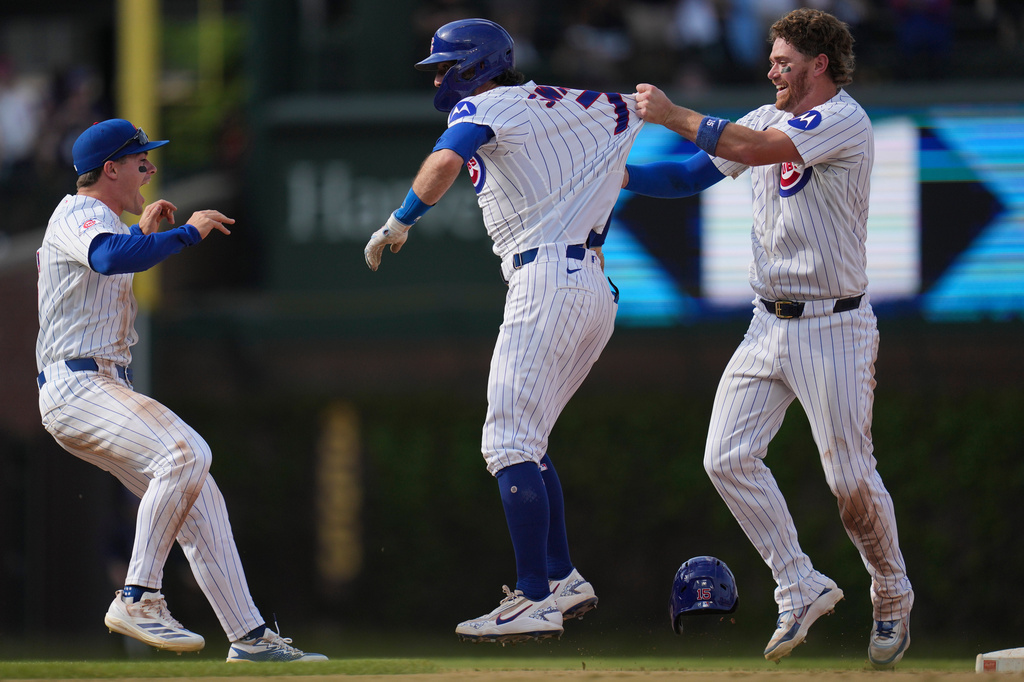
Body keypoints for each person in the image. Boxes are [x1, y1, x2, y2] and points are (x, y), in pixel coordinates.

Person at [625, 7, 913, 669]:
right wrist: (617, 179)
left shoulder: (844, 119)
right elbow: (695, 173)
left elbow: (752, 151)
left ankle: (892, 591)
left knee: (849, 481)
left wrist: (671, 114)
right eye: (772, 60)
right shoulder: (765, 115)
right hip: (767, 322)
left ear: (818, 65)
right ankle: (799, 582)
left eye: (784, 61)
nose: (771, 70)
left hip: (834, 326)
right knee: (725, 457)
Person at [363, 18, 644, 644]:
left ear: (474, 65)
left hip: (546, 277)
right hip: (593, 286)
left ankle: (534, 596)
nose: (437, 77)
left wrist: (401, 218)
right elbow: (645, 142)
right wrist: (724, 152)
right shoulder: (578, 104)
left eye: (443, 65)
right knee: (529, 439)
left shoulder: (483, 103)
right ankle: (562, 577)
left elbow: (447, 156)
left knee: (507, 442)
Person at [35, 118, 327, 663]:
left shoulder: (102, 220)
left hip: (93, 385)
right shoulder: (81, 211)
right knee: (186, 452)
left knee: (200, 499)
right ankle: (138, 595)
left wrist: (145, 237)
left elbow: (112, 262)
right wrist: (184, 234)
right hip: (78, 385)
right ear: (110, 169)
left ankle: (249, 637)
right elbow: (107, 258)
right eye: (140, 159)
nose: (149, 168)